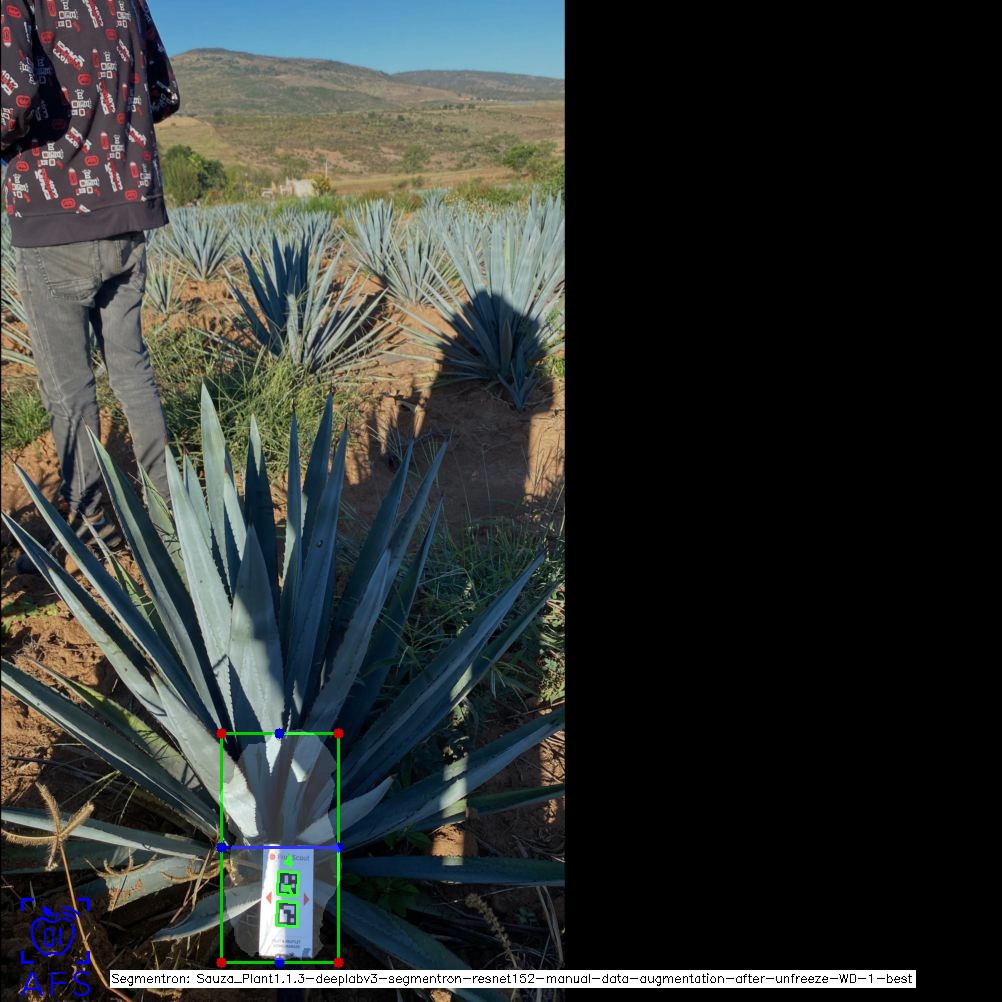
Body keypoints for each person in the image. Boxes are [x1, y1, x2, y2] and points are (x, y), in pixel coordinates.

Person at [1, 0, 180, 574]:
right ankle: (171, 520)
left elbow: (12, 100)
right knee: (132, 370)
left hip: (53, 214)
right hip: (129, 209)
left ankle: (90, 530)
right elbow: (163, 93)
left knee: (68, 388)